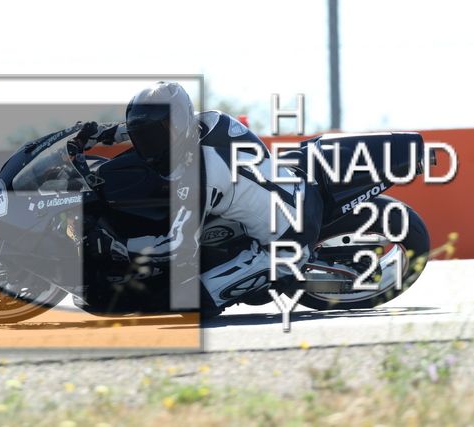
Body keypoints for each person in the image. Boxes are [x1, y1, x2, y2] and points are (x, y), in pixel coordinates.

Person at [72, 81, 323, 315]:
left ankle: (278, 276)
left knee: (177, 300)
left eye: (157, 136)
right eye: (144, 138)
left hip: (289, 239)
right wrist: (98, 134)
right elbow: (144, 126)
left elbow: (178, 248)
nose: (150, 145)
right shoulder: (206, 122)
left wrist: (119, 246)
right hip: (289, 191)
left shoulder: (203, 175)